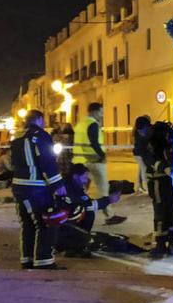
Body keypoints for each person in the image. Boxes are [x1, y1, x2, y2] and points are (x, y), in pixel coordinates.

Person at [11, 109, 64, 269]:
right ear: (40, 120)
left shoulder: (17, 137)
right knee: (45, 223)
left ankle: (26, 259)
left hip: (19, 186)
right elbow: (47, 162)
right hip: (36, 187)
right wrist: (57, 185)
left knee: (27, 224)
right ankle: (43, 261)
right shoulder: (40, 136)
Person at [54, 163, 121, 257]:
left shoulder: (73, 185)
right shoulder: (68, 188)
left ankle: (75, 244)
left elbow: (86, 202)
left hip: (63, 222)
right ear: (76, 176)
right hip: (61, 225)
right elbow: (86, 205)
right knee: (86, 213)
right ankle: (69, 245)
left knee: (86, 213)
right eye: (84, 177)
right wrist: (108, 200)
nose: (86, 180)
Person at [146, 121, 173, 258]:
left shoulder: (165, 145)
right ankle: (164, 244)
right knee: (164, 213)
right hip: (160, 183)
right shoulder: (156, 146)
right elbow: (154, 161)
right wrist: (164, 168)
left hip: (165, 183)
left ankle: (168, 244)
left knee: (168, 214)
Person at [132, 115, 152, 195]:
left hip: (137, 153)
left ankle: (139, 187)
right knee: (144, 170)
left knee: (141, 170)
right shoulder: (141, 132)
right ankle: (147, 188)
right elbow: (142, 146)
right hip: (139, 154)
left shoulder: (136, 130)